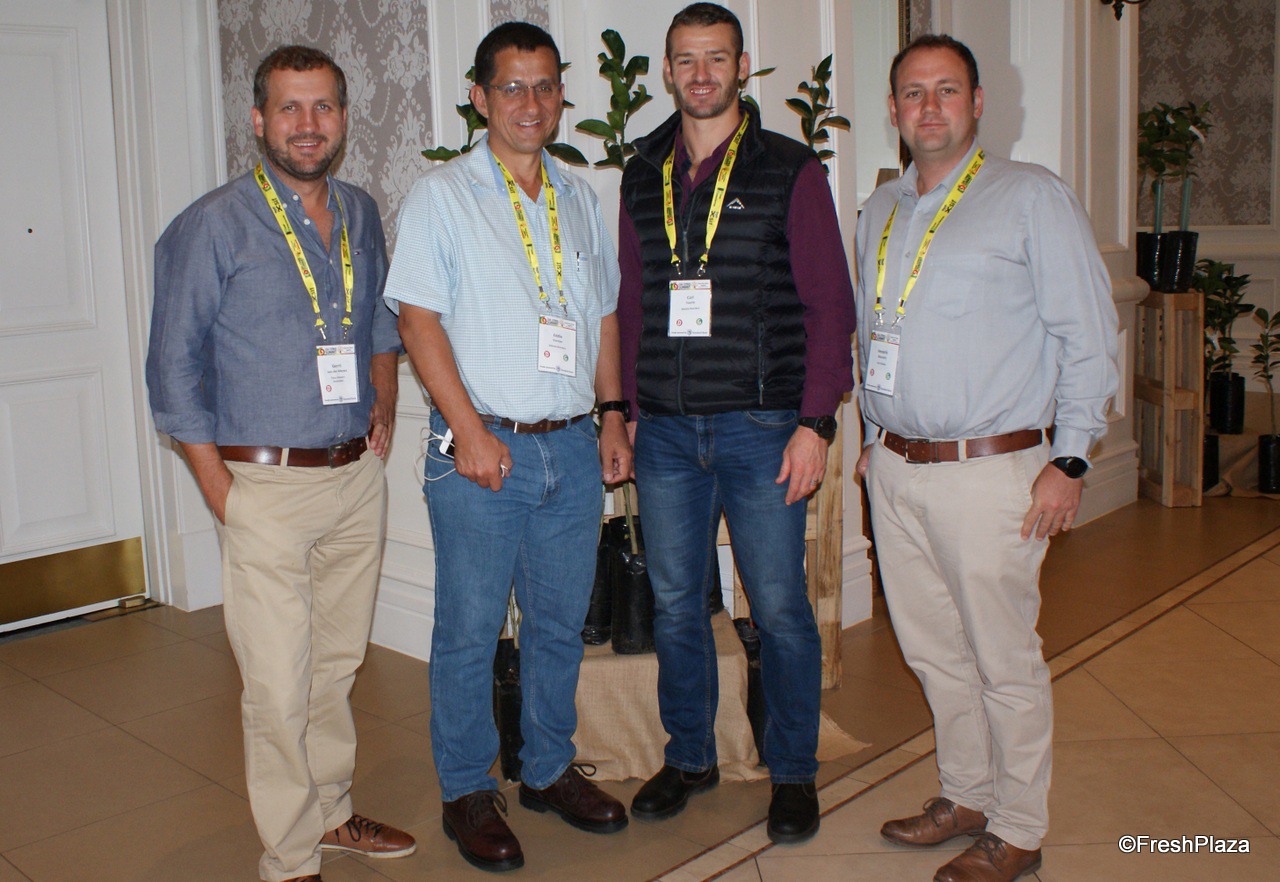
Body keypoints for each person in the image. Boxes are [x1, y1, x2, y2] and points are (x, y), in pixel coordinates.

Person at [854, 35, 1119, 882]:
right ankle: (966, 796)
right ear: (893, 110)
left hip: (992, 471)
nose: (928, 107)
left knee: (1003, 659)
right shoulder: (879, 210)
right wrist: (870, 441)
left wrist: (1070, 460)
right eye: (913, 92)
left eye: (947, 90)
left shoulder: (1030, 197)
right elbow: (874, 334)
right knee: (933, 653)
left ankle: (1019, 828)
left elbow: (1088, 336)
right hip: (896, 468)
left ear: (975, 104)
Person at [146, 45, 413, 882]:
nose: (308, 124)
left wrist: (384, 398)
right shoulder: (212, 225)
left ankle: (330, 811)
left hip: (353, 478)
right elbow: (171, 369)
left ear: (344, 117)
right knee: (276, 684)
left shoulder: (360, 210)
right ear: (259, 120)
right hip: (261, 483)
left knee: (335, 666)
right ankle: (291, 859)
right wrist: (220, 490)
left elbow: (378, 323)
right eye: (290, 108)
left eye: (323, 106)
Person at [383, 21, 631, 874]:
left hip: (571, 448)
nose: (531, 102)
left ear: (561, 95)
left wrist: (612, 415)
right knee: (470, 630)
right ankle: (466, 790)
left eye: (546, 85)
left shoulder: (578, 197)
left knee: (559, 625)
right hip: (482, 453)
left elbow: (602, 318)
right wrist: (471, 432)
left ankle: (548, 769)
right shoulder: (442, 198)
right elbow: (418, 322)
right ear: (481, 98)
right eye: (513, 87)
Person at [617, 2, 855, 845]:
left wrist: (814, 424)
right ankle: (690, 757)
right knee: (678, 605)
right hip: (667, 436)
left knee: (779, 608)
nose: (701, 73)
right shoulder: (642, 172)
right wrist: (629, 413)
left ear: (742, 66)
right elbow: (633, 303)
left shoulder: (790, 168)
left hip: (763, 429)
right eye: (686, 59)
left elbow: (830, 308)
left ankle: (791, 770)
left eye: (716, 57)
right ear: (667, 70)